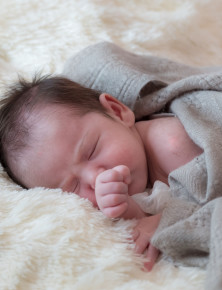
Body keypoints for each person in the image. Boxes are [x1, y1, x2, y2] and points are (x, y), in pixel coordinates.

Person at [0, 75, 203, 270]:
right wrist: (129, 210)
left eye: (91, 151)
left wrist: (166, 221)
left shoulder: (172, 144)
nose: (96, 179)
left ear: (117, 111)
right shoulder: (135, 171)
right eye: (72, 186)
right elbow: (153, 206)